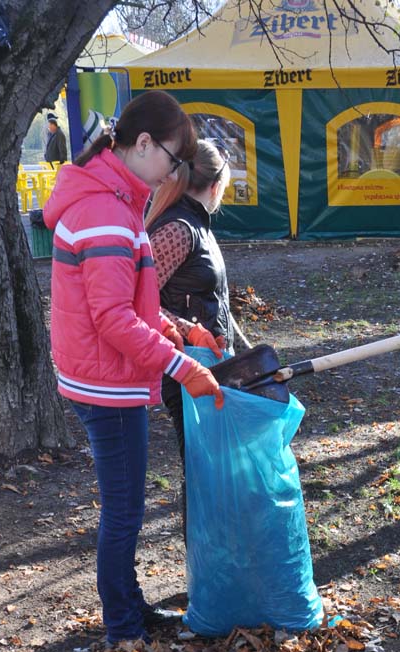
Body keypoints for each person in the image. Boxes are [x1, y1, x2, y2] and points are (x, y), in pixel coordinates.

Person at [42, 90, 225, 648]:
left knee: (125, 508)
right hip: (105, 382)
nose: (171, 174)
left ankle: (130, 608)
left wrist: (179, 328)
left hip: (102, 374)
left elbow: (132, 298)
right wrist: (181, 366)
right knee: (123, 513)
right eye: (171, 159)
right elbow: (113, 319)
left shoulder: (115, 198)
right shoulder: (105, 212)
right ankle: (123, 628)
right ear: (143, 143)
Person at [146, 138, 239, 540]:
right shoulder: (178, 229)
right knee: (202, 474)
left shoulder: (197, 224)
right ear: (216, 185)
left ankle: (219, 559)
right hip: (185, 370)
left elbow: (215, 300)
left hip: (210, 365)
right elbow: (137, 303)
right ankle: (205, 566)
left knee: (216, 472)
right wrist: (189, 330)